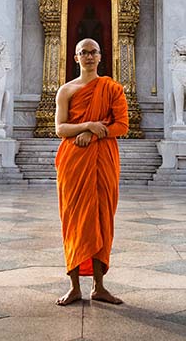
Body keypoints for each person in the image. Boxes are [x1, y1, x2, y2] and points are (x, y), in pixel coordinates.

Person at [54, 37, 128, 306]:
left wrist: (94, 135)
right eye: (83, 53)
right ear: (75, 58)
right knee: (74, 220)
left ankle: (99, 287)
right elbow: (60, 128)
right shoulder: (66, 91)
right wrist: (88, 125)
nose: (88, 56)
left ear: (100, 56)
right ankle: (74, 286)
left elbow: (122, 125)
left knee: (101, 219)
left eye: (92, 52)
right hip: (73, 161)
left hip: (103, 158)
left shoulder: (112, 89)